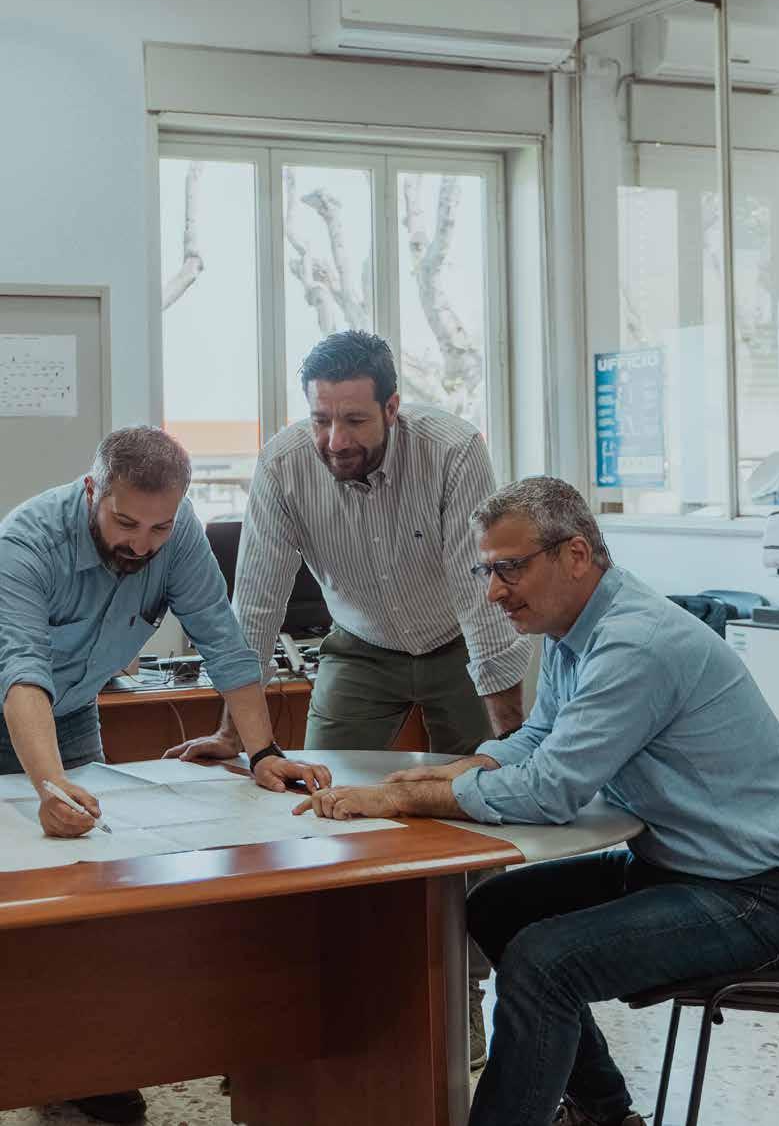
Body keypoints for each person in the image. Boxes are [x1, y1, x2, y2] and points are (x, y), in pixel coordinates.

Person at [294, 476, 779, 1126]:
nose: (493, 592)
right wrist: (466, 768)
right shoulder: (571, 630)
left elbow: (552, 791)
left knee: (544, 963)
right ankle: (605, 1114)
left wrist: (407, 801)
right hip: (680, 871)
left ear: (575, 555)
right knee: (496, 905)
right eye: (486, 571)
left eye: (509, 568)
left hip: (762, 898)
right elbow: (541, 735)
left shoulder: (635, 643)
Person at [165, 329, 532, 1068]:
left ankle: (463, 999)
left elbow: (482, 597)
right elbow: (255, 604)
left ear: (393, 408)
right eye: (322, 419)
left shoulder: (453, 451)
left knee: (480, 815)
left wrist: (512, 740)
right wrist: (235, 735)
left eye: (355, 420)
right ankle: (323, 994)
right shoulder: (284, 465)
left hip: (457, 643)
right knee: (315, 802)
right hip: (360, 645)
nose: (335, 439)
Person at [0, 426, 330, 1126]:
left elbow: (224, 640)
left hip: (70, 712)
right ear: (92, 491)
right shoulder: (25, 541)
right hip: (17, 702)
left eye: (159, 526)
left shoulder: (177, 537)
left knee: (86, 890)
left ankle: (83, 1067)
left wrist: (262, 752)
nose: (143, 544)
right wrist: (49, 785)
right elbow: (21, 669)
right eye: (126, 523)